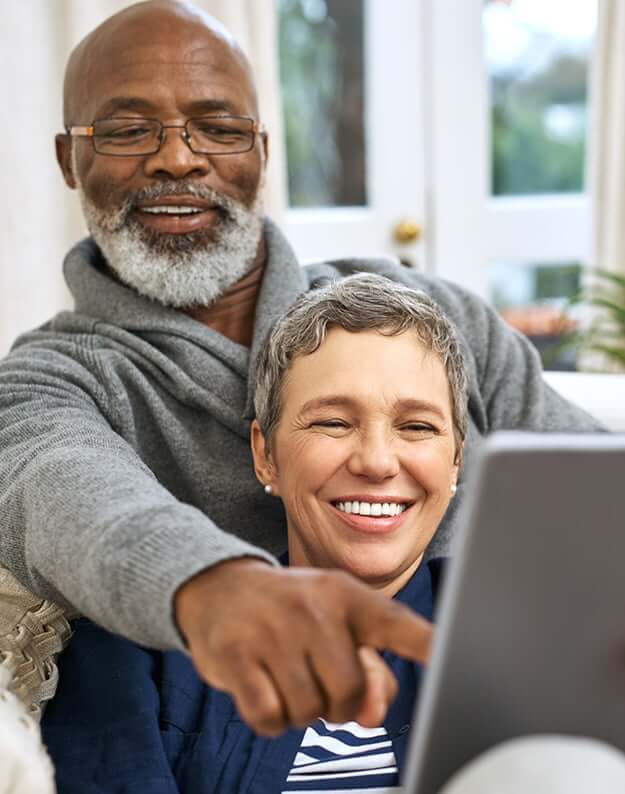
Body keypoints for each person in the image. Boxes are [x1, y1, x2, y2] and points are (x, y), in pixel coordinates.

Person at [0, 0, 603, 738]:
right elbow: (67, 496)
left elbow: (592, 494)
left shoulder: (438, 314)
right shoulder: (49, 381)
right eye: (128, 130)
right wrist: (213, 585)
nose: (178, 159)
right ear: (69, 159)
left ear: (260, 149)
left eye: (218, 129)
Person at [42, 274, 462, 793]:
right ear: (266, 456)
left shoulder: (516, 638)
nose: (376, 461)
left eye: (417, 427)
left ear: (455, 461)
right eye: (332, 422)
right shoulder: (137, 648)